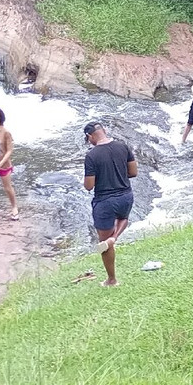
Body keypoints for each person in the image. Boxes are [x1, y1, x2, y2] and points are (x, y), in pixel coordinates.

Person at [83, 122, 137, 287]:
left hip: (105, 202)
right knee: (123, 218)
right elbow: (133, 172)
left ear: (89, 137)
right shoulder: (123, 147)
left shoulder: (91, 156)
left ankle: (111, 280)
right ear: (104, 131)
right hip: (126, 197)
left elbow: (89, 186)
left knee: (104, 243)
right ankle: (114, 238)